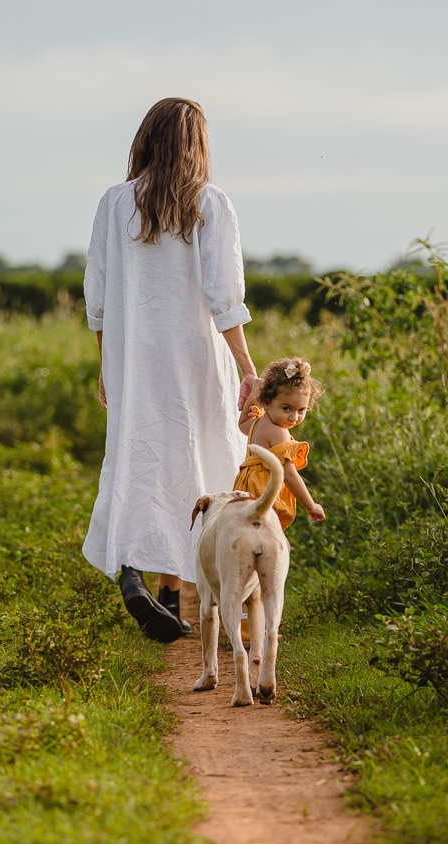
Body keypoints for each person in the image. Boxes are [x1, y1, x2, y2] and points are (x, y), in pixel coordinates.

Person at [82, 97, 257, 644]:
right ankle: (180, 595)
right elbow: (224, 295)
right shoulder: (210, 202)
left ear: (147, 138)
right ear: (196, 145)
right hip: (196, 361)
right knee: (199, 463)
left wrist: (107, 364)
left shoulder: (115, 202)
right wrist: (248, 368)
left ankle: (142, 581)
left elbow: (97, 297)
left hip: (133, 362)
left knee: (137, 461)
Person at [235, 356, 326, 528]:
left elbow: (242, 423)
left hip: (244, 493)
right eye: (286, 408)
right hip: (262, 494)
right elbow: (289, 474)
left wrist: (253, 397)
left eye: (301, 410)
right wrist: (311, 506)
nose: (294, 417)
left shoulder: (258, 423)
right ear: (266, 401)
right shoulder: (278, 432)